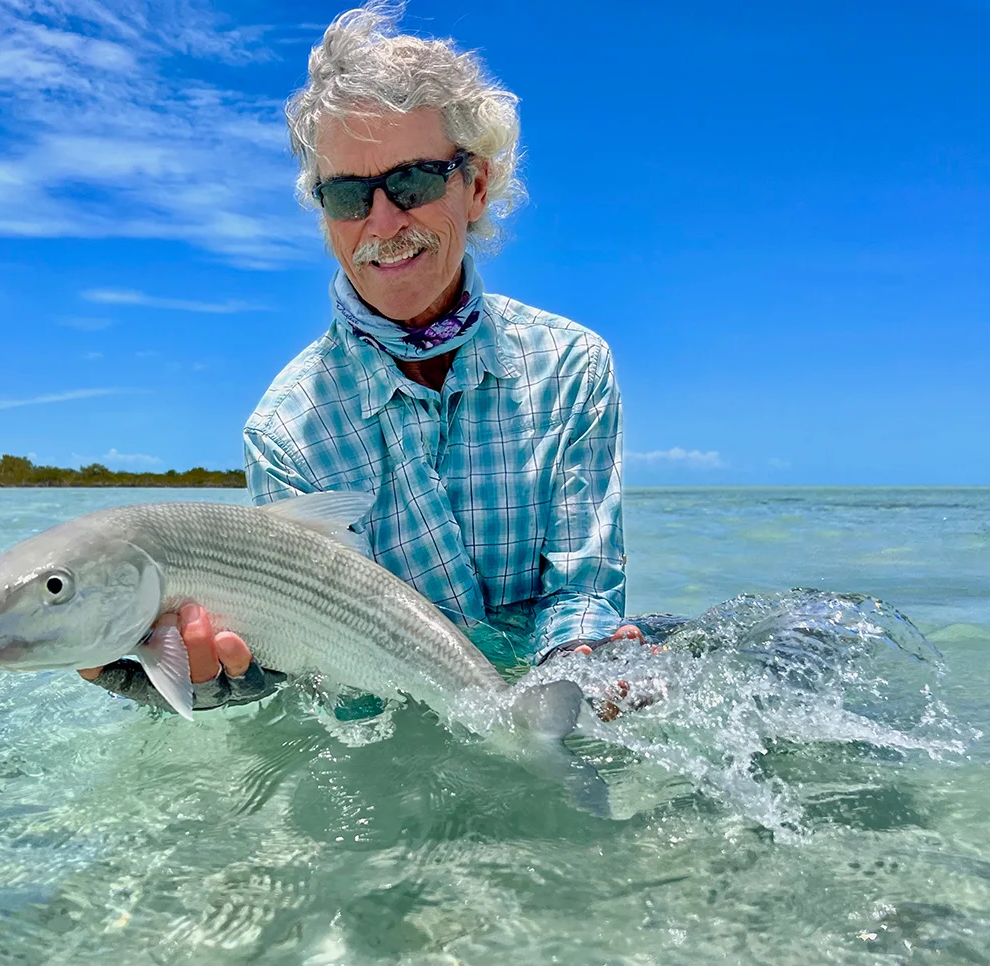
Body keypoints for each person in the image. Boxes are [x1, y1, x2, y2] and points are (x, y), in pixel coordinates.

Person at [80, 5, 646, 711]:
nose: (383, 222)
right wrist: (210, 683)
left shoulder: (572, 367)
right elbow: (305, 652)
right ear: (325, 214)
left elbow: (583, 594)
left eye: (411, 182)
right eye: (348, 194)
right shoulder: (285, 428)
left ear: (474, 186)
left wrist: (572, 691)